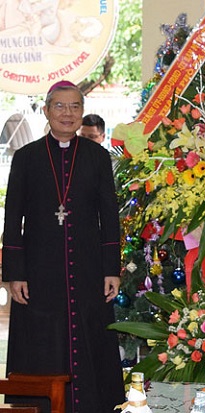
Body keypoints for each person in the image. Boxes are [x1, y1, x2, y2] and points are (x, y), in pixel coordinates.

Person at [1, 80, 125, 412]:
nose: (67, 114)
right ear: (46, 110)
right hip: (40, 270)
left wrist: (111, 268)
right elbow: (13, 218)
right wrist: (14, 273)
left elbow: (109, 216)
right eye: (60, 106)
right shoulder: (26, 157)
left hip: (87, 267)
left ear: (82, 113)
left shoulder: (97, 156)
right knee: (41, 339)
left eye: (74, 107)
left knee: (90, 334)